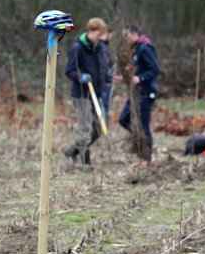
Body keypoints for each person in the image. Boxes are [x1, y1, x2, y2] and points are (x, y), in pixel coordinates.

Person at [63, 17, 109, 167]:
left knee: (98, 129)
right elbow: (69, 71)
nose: (100, 38)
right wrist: (80, 77)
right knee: (86, 129)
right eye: (98, 35)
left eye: (102, 35)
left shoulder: (101, 48)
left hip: (97, 93)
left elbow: (102, 69)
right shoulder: (77, 48)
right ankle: (85, 162)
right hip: (82, 94)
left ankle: (72, 151)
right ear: (90, 31)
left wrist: (109, 77)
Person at [116, 24, 160, 157]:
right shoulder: (133, 50)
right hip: (135, 93)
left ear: (135, 34)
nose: (125, 39)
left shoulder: (145, 48)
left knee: (144, 126)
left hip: (146, 92)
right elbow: (135, 71)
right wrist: (124, 78)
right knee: (123, 119)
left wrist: (141, 78)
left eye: (127, 35)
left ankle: (147, 156)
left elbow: (154, 69)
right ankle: (138, 139)